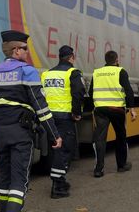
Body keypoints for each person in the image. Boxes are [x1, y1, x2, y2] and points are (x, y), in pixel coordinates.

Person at [0, 30, 62, 212]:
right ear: (16, 50)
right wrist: (54, 135)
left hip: (1, 134)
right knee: (19, 180)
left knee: (4, 178)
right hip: (21, 134)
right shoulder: (27, 72)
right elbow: (42, 108)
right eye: (25, 48)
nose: (27, 52)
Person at [41, 45, 85, 198]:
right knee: (65, 150)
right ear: (72, 57)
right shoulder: (73, 73)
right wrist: (76, 113)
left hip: (48, 118)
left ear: (59, 57)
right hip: (64, 117)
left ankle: (59, 182)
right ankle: (58, 186)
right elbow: (79, 93)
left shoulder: (46, 74)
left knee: (55, 150)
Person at [89, 50, 136, 178]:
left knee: (100, 138)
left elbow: (90, 92)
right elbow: (128, 91)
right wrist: (132, 108)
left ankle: (99, 169)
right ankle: (121, 165)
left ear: (106, 60)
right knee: (121, 137)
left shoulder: (97, 72)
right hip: (117, 110)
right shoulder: (120, 71)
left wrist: (91, 107)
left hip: (100, 110)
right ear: (116, 60)